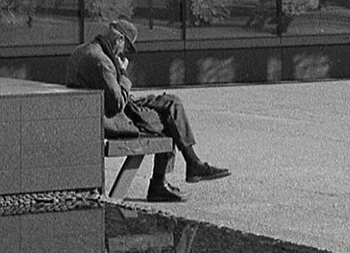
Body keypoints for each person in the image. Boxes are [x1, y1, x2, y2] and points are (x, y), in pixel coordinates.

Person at [65, 18, 230, 203]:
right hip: (114, 121)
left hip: (95, 115)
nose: (124, 52)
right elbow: (118, 103)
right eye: (126, 47)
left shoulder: (82, 50)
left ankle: (191, 165)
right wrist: (124, 74)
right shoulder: (103, 62)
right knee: (170, 114)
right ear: (118, 39)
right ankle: (170, 177)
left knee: (169, 103)